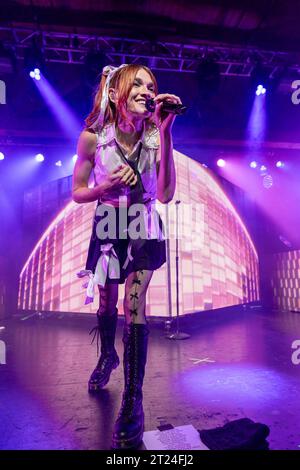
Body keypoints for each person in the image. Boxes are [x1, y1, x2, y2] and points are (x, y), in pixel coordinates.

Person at [72, 63, 181, 449]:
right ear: (118, 89)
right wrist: (104, 185)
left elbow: (165, 194)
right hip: (108, 220)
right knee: (107, 300)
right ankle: (107, 357)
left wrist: (165, 132)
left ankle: (133, 400)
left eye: (150, 85)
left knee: (133, 305)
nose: (145, 89)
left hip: (142, 222)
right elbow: (78, 192)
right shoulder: (93, 138)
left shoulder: (155, 136)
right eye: (137, 82)